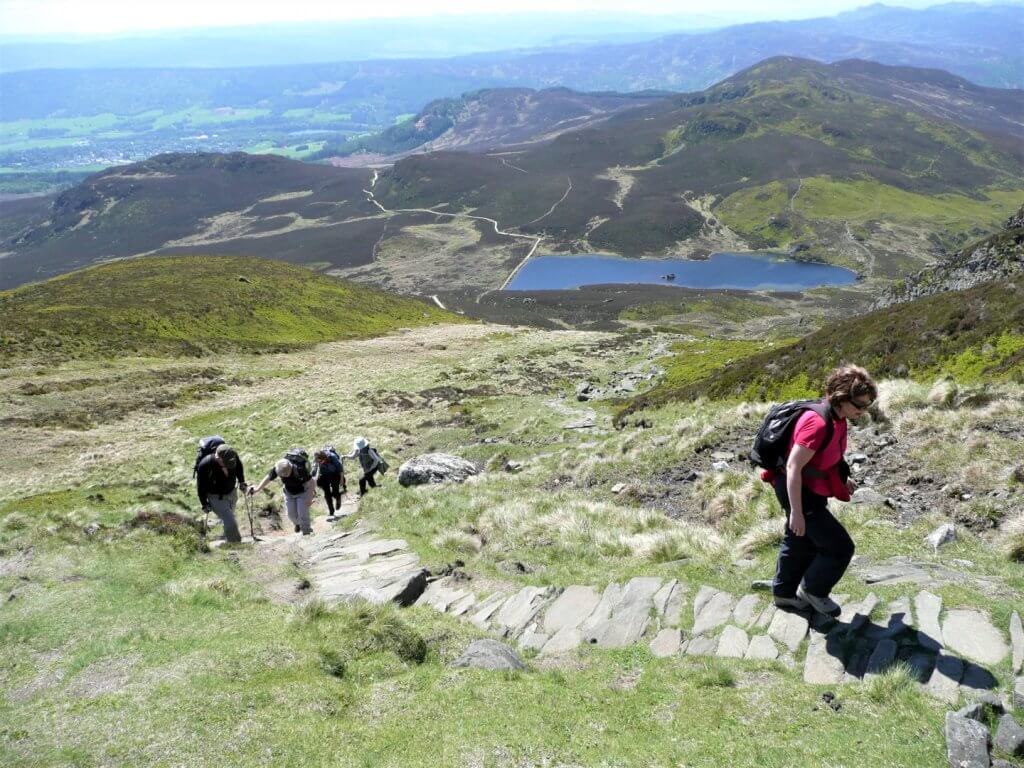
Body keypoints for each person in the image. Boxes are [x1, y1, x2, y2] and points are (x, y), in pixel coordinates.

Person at [763, 365, 878, 616]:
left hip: (808, 488)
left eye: (867, 405)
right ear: (841, 397)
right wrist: (797, 512)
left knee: (800, 540)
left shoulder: (839, 418)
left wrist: (840, 478)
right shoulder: (817, 423)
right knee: (840, 548)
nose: (862, 411)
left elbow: (828, 455)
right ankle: (814, 590)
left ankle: (783, 594)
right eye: (859, 405)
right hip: (798, 490)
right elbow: (794, 467)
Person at [248, 450, 315, 535]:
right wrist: (257, 489)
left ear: (290, 469)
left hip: (302, 492)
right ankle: (297, 524)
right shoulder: (278, 467)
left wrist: (309, 498)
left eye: (285, 475)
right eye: (281, 475)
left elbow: (312, 482)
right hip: (289, 492)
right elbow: (268, 478)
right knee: (291, 515)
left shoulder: (300, 469)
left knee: (302, 514)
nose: (282, 477)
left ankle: (307, 532)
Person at [196, 444, 246, 543]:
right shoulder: (205, 464)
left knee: (229, 516)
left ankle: (226, 535)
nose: (229, 464)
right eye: (226, 463)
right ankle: (236, 545)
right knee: (230, 521)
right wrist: (204, 504)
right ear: (217, 457)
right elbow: (200, 486)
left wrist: (242, 482)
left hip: (232, 494)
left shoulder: (232, 456)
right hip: (216, 498)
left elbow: (239, 467)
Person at [314, 447, 345, 521]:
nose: (319, 462)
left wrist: (341, 480)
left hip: (335, 474)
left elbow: (340, 469)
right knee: (327, 494)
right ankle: (331, 511)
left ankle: (338, 498)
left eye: (320, 460)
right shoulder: (317, 459)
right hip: (324, 475)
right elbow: (315, 470)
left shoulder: (332, 457)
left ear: (323, 457)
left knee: (335, 492)